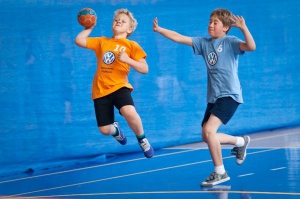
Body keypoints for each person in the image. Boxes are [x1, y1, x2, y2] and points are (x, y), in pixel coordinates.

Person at [153, 8, 256, 185]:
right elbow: (179, 37)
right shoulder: (204, 43)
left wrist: (244, 28)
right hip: (214, 97)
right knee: (206, 135)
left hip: (230, 95)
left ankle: (220, 172)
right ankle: (240, 141)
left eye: (215, 22)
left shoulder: (231, 41)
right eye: (210, 21)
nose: (210, 25)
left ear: (225, 27)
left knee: (210, 132)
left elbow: (251, 47)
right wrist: (160, 30)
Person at [75, 8, 154, 158]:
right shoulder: (102, 42)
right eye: (116, 20)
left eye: (123, 21)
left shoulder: (132, 45)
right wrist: (89, 28)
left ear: (129, 29)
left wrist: (128, 60)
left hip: (119, 86)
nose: (118, 22)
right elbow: (79, 40)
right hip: (100, 90)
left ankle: (142, 139)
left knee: (129, 112)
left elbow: (144, 68)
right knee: (105, 130)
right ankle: (116, 130)